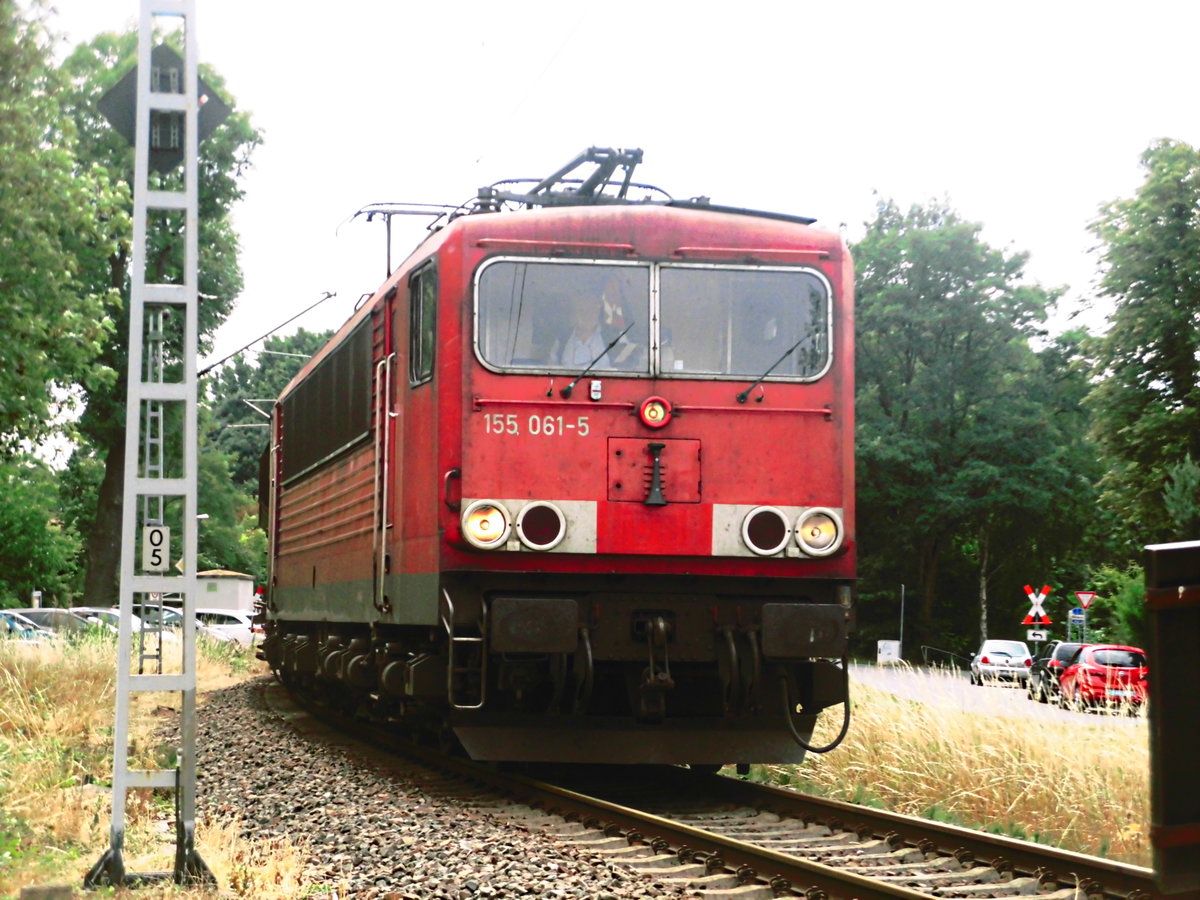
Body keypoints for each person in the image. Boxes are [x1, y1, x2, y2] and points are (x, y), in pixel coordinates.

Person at [558, 294, 612, 368]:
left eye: (591, 309)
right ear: (575, 312)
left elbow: (624, 370)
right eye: (582, 310)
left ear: (598, 310)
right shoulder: (563, 338)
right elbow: (550, 368)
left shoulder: (613, 337)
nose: (587, 314)